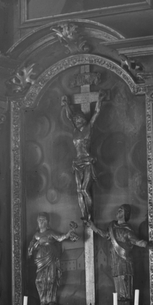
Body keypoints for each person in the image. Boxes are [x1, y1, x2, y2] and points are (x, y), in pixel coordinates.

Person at [90, 204, 150, 302]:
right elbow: (106, 235)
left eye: (121, 210)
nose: (118, 212)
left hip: (125, 258)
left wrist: (143, 243)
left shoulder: (127, 230)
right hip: (115, 258)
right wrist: (94, 228)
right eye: (118, 210)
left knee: (124, 276)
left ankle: (126, 298)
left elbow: (135, 240)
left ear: (126, 213)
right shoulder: (112, 226)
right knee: (117, 276)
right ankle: (119, 298)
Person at [61, 93, 104, 221]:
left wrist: (99, 100)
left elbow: (96, 112)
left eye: (78, 119)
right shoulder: (75, 130)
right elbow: (69, 117)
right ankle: (84, 215)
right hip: (77, 162)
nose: (76, 121)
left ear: (83, 119)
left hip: (87, 161)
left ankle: (89, 215)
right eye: (75, 120)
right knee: (79, 190)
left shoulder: (89, 127)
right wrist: (66, 105)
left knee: (85, 189)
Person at [28, 214, 79, 305]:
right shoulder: (36, 235)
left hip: (51, 257)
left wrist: (70, 232)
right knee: (39, 280)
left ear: (47, 222)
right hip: (40, 260)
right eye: (39, 220)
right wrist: (32, 248)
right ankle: (43, 301)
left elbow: (61, 237)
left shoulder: (50, 232)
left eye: (43, 220)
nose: (41, 222)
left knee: (51, 279)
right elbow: (30, 247)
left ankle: (51, 301)